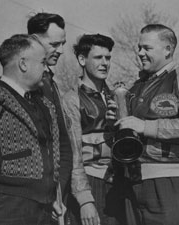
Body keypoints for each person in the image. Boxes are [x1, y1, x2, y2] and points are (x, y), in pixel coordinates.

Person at [0, 34, 71, 225]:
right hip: (2, 208)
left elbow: (58, 151)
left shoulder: (43, 104)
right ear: (23, 64)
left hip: (42, 209)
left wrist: (52, 195)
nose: (46, 68)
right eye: (42, 62)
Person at [110, 24, 179, 225]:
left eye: (147, 48)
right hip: (134, 182)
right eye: (139, 48)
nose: (140, 53)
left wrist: (146, 126)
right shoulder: (136, 87)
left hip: (170, 183)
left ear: (168, 49)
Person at [62, 34, 125, 225]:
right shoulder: (72, 100)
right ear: (82, 59)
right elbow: (73, 153)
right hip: (92, 183)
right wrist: (84, 199)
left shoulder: (118, 96)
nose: (105, 63)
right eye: (98, 58)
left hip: (120, 185)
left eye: (108, 58)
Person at [27, 12, 72, 200]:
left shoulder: (50, 82)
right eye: (54, 44)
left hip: (55, 191)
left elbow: (61, 140)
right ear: (35, 41)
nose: (61, 50)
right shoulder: (27, 83)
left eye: (63, 44)